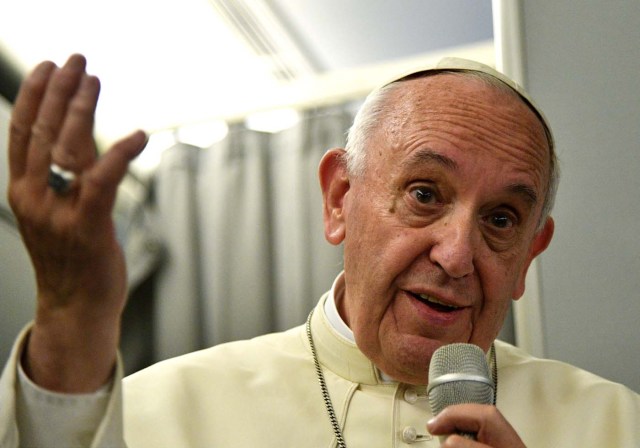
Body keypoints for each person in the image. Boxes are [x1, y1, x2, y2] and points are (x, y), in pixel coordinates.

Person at [0, 53, 638, 448]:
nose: (456, 254)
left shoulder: (616, 426)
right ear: (339, 198)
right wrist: (73, 314)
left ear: (529, 255)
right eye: (424, 193)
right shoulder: (162, 413)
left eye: (501, 219)